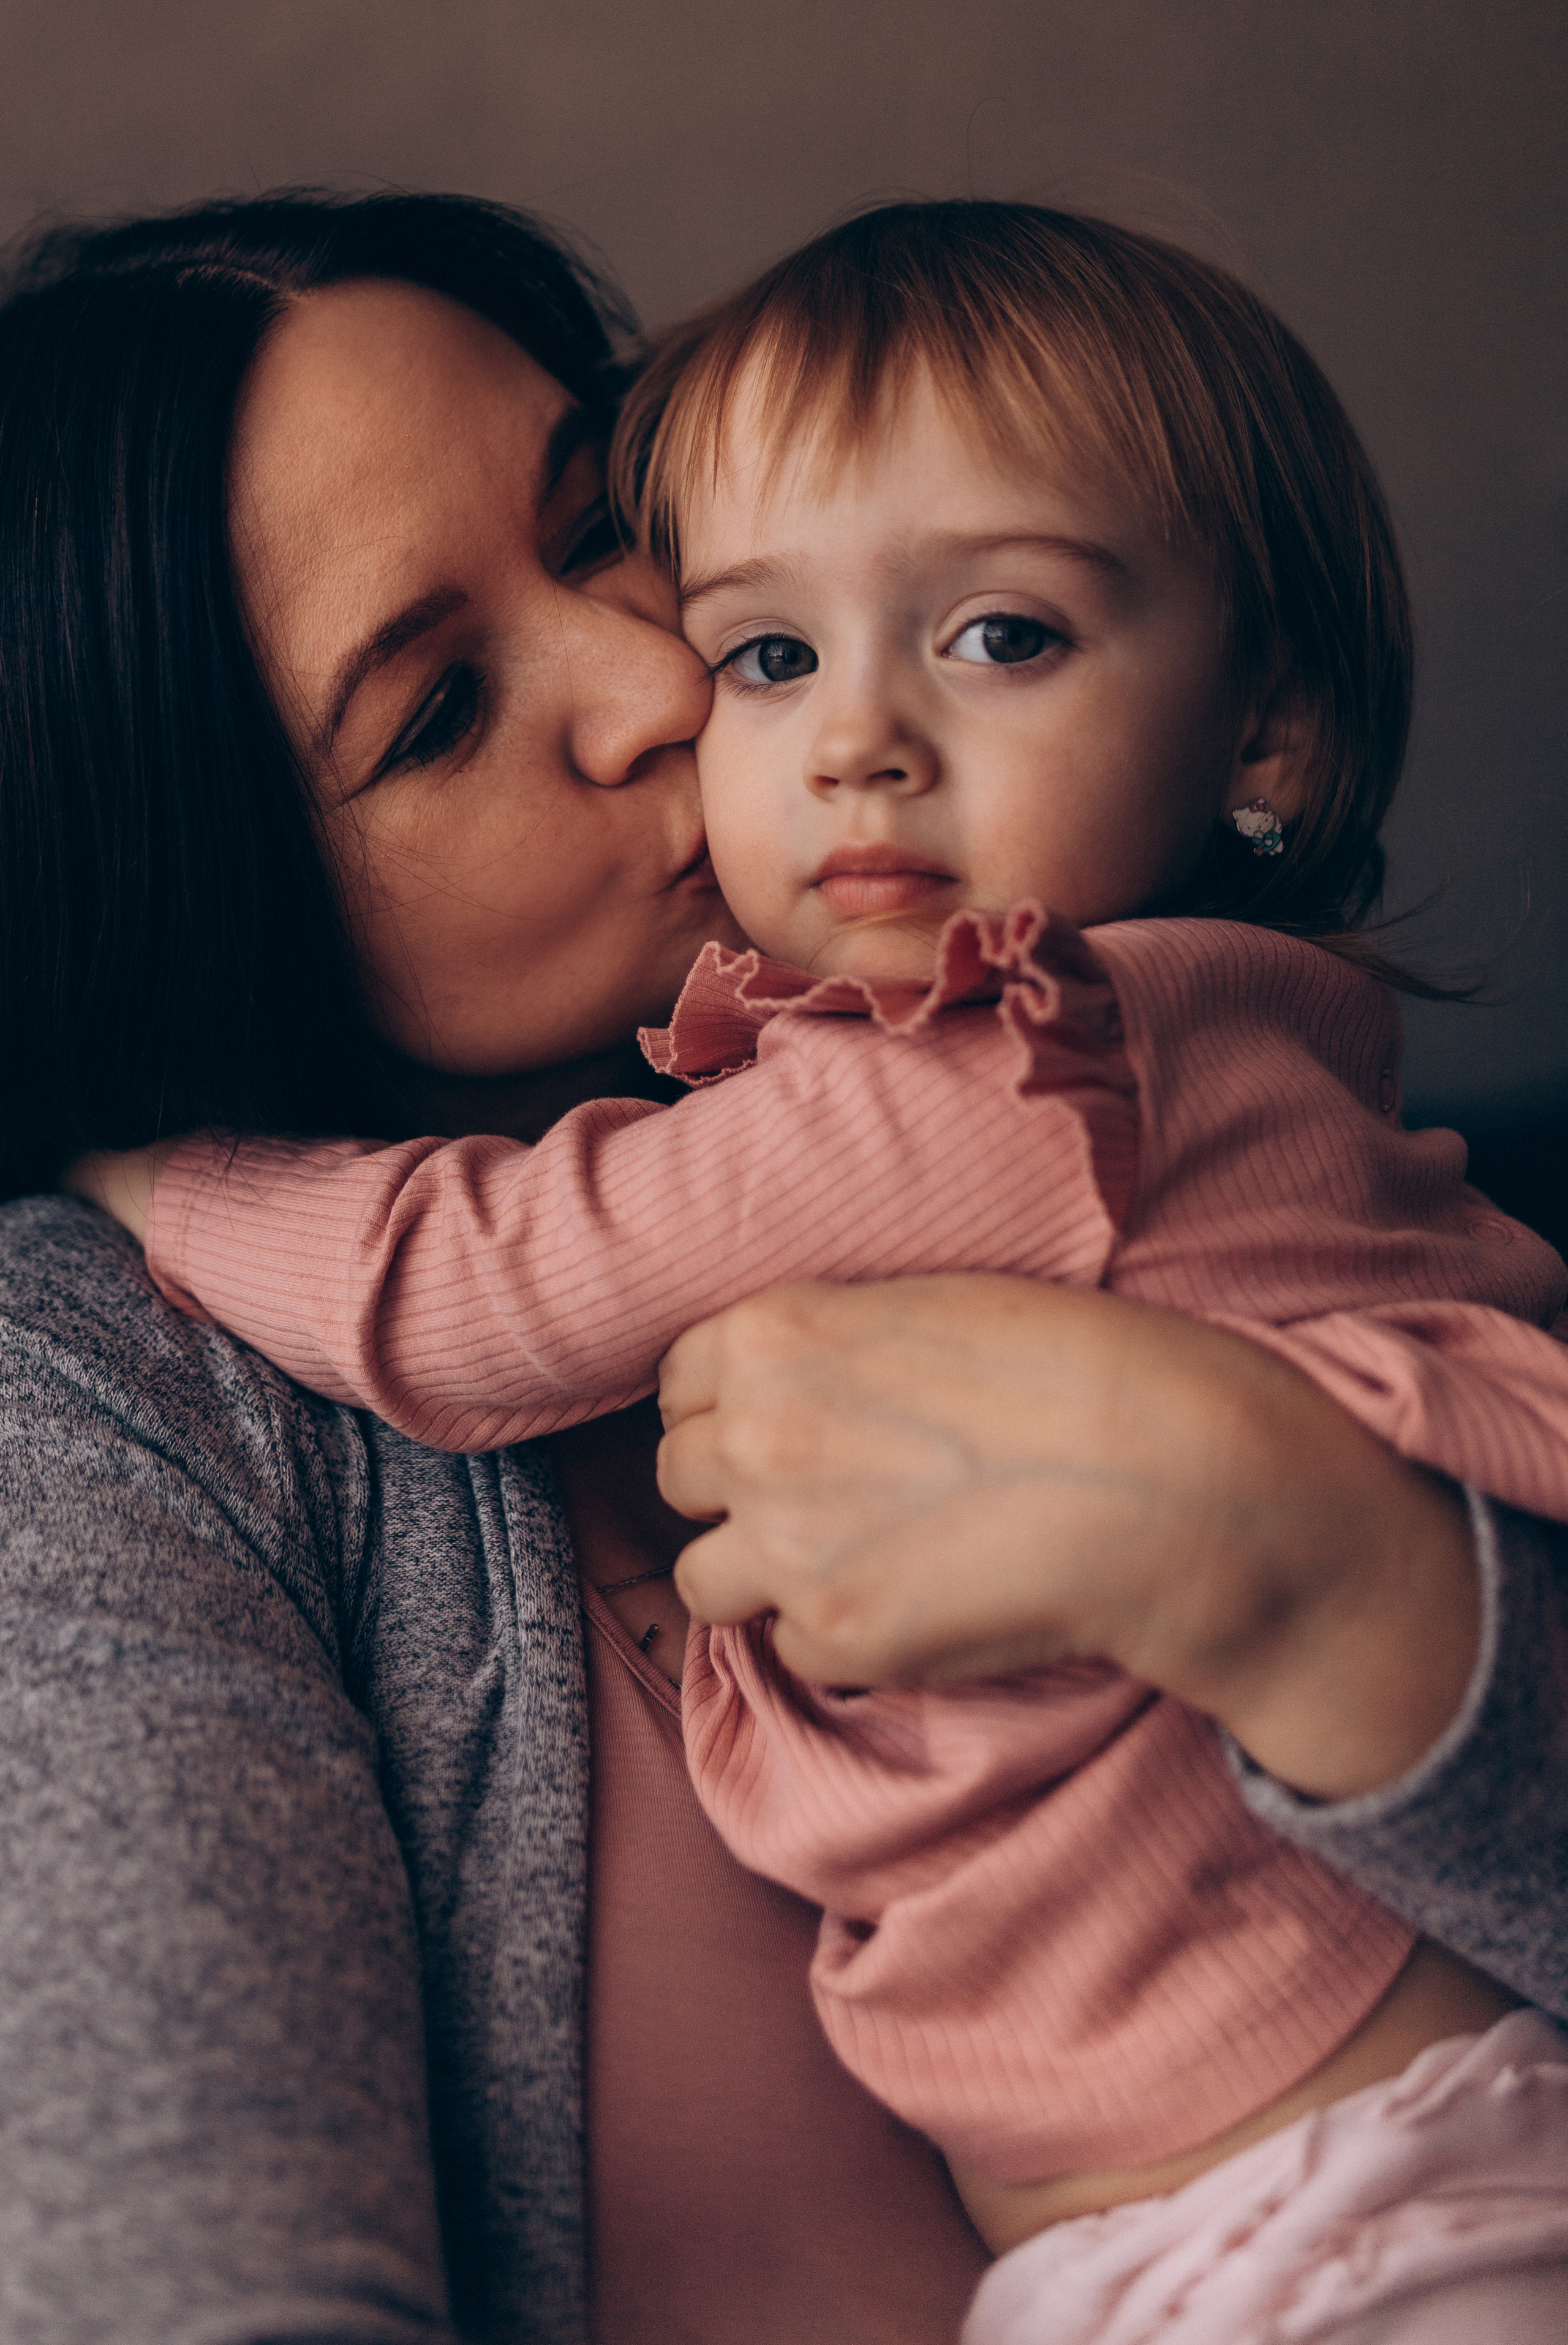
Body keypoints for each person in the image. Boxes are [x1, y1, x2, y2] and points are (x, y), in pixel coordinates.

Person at [0, 188, 1560, 2345]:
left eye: (602, 526)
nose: (673, 684)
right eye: (441, 707)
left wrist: (1336, 1585)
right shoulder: (89, 1407)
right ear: (205, 902)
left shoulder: (1045, 1049)